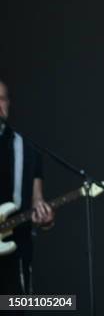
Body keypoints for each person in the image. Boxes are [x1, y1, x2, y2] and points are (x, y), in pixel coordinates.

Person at [0, 79, 55, 297]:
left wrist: (46, 218)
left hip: (16, 258)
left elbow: (37, 201)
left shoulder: (28, 150)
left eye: (2, 98)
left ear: (9, 104)